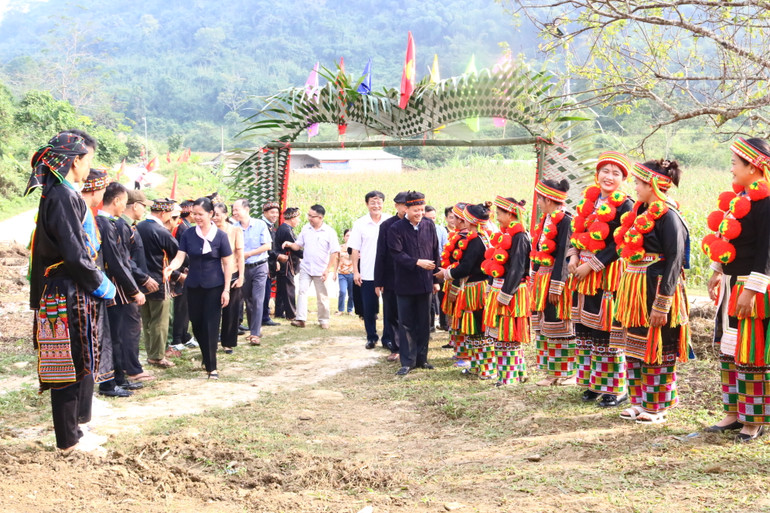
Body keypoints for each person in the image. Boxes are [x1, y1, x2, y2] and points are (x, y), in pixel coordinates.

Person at [26, 130, 116, 453]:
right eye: (87, 161)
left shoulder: (56, 193)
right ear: (75, 161)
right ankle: (68, 440)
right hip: (67, 291)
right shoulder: (64, 196)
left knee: (71, 361)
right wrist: (101, 283)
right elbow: (77, 255)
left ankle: (75, 431)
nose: (89, 168)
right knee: (68, 364)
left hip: (60, 290)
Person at [614, 159, 690, 424]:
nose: (634, 187)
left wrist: (664, 301)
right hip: (634, 288)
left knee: (657, 346)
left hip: (655, 287)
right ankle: (637, 401)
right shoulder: (638, 213)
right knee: (634, 347)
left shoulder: (668, 216)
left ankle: (658, 406)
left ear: (654, 184)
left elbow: (675, 258)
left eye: (638, 183)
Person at [703, 137, 770, 441]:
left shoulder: (767, 202)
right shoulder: (739, 199)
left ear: (754, 167)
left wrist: (752, 289)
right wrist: (718, 270)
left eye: (735, 163)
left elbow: (766, 251)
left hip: (751, 287)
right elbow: (728, 239)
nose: (731, 168)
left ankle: (753, 420)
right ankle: (733, 412)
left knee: (751, 353)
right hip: (732, 284)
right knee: (729, 350)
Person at [567, 152, 635, 407]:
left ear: (624, 179)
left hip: (607, 274)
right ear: (597, 175)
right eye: (605, 171)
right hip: (582, 273)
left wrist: (592, 266)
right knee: (586, 330)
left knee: (607, 331)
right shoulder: (589, 200)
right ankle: (594, 383)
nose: (609, 177)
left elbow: (621, 244)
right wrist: (573, 257)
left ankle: (616, 389)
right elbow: (578, 232)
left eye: (616, 173)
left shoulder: (626, 205)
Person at [165, 197, 233, 379]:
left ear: (210, 214)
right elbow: (180, 256)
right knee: (197, 325)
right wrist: (172, 266)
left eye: (200, 214)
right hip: (193, 286)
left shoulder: (220, 236)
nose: (196, 217)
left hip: (214, 286)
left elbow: (228, 263)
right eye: (194, 214)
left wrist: (226, 289)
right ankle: (206, 355)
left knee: (211, 325)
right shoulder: (188, 234)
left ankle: (212, 367)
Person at [94, 178, 148, 397]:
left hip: (112, 288)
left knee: (118, 336)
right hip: (112, 290)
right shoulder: (106, 224)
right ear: (116, 201)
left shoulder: (106, 223)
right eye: (123, 202)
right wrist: (134, 289)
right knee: (113, 336)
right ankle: (110, 382)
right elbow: (117, 262)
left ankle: (119, 378)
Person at [388, 191, 441, 375]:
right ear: (406, 209)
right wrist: (417, 262)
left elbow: (435, 251)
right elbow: (396, 254)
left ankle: (422, 358)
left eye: (422, 209)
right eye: (415, 210)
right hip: (405, 283)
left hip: (426, 282)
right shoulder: (396, 228)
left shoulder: (429, 225)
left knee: (424, 322)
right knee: (406, 323)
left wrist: (435, 278)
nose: (419, 213)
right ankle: (407, 361)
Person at [437, 202, 492, 378]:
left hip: (475, 289)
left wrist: (446, 273)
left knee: (478, 328)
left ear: (470, 220)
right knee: (476, 329)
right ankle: (477, 366)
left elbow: (466, 267)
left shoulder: (475, 240)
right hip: (477, 287)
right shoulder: (481, 237)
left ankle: (485, 369)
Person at [482, 196, 531, 386]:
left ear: (511, 214)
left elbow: (517, 269)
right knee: (502, 335)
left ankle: (508, 378)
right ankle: (519, 373)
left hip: (512, 292)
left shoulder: (519, 236)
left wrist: (505, 294)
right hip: (502, 287)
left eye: (500, 213)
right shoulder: (506, 234)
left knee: (507, 336)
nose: (497, 216)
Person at [530, 179, 575, 386]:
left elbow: (564, 255)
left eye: (540, 199)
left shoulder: (565, 220)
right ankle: (553, 371)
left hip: (556, 279)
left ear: (548, 199)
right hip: (543, 278)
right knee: (546, 323)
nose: (538, 202)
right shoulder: (547, 220)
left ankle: (567, 372)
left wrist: (557, 284)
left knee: (559, 323)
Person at [136, 198, 180, 369]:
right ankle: (157, 356)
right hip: (160, 280)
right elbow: (179, 254)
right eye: (170, 214)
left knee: (147, 320)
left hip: (141, 281)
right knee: (160, 321)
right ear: (164, 213)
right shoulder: (161, 231)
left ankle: (151, 352)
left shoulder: (138, 227)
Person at [120, 189, 157, 381]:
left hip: (132, 283)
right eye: (143, 206)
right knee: (131, 328)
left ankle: (130, 366)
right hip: (128, 286)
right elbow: (125, 260)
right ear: (134, 205)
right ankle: (132, 369)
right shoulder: (122, 226)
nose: (144, 210)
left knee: (131, 327)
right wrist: (142, 279)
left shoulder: (131, 226)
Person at [283, 204, 340, 329]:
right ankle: (301, 319)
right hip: (306, 267)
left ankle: (324, 320)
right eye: (308, 215)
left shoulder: (329, 232)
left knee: (322, 295)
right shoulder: (306, 229)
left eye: (311, 216)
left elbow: (334, 252)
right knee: (302, 291)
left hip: (321, 269)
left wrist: (328, 269)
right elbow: (298, 245)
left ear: (320, 217)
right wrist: (289, 244)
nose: (309, 218)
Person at [350, 191, 390, 347]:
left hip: (387, 273)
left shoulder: (389, 221)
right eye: (373, 202)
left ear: (383, 204)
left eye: (379, 202)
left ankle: (388, 338)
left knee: (389, 308)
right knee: (369, 308)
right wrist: (356, 271)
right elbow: (354, 249)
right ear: (367, 204)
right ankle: (371, 337)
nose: (376, 205)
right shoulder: (360, 223)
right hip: (367, 272)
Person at [231, 199, 271, 346]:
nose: (234, 213)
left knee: (257, 299)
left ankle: (255, 334)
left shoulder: (260, 224)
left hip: (260, 266)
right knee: (248, 301)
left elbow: (267, 245)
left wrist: (249, 254)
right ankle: (254, 328)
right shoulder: (233, 228)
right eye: (233, 210)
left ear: (246, 209)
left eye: (237, 210)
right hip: (243, 269)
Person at [374, 192, 409, 361]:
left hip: (411, 276)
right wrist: (378, 280)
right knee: (392, 313)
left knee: (409, 314)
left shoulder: (418, 224)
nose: (406, 208)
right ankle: (396, 347)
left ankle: (410, 347)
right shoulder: (387, 225)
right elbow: (380, 253)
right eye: (404, 205)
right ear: (396, 206)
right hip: (391, 277)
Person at [441, 202, 470, 366]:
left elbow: (463, 266)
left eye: (456, 217)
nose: (454, 220)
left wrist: (456, 284)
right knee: (454, 318)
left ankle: (464, 355)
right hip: (453, 281)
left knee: (461, 318)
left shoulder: (467, 238)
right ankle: (459, 351)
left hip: (462, 285)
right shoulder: (457, 235)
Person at [213, 202, 244, 354]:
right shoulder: (209, 231)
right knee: (213, 309)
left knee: (231, 309)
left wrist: (241, 276)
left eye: (218, 214)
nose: (215, 218)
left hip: (232, 273)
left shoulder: (235, 230)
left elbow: (240, 255)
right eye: (213, 214)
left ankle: (228, 342)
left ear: (226, 215)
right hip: (213, 274)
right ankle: (212, 339)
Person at [170, 200, 194, 350]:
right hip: (180, 271)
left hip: (183, 270)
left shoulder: (185, 226)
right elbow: (181, 252)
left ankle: (184, 335)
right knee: (181, 306)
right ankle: (177, 337)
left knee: (185, 306)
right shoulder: (183, 228)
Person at [274, 207, 303, 319]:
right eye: (297, 218)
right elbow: (295, 248)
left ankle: (279, 312)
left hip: (284, 263)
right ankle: (291, 314)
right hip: (286, 264)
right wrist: (307, 256)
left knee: (281, 289)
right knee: (288, 288)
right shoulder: (286, 230)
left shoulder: (285, 228)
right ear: (292, 218)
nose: (298, 221)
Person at [261, 202, 282, 327]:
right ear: (265, 213)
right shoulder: (263, 225)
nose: (275, 215)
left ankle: (264, 315)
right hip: (264, 263)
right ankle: (263, 316)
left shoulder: (270, 226)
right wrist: (277, 257)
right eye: (272, 212)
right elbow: (266, 247)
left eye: (276, 212)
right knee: (263, 291)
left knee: (266, 291)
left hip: (270, 263)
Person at [337, 229, 355, 314]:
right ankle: (340, 310)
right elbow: (336, 260)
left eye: (351, 236)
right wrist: (334, 273)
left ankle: (350, 310)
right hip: (342, 274)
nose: (349, 237)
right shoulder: (340, 248)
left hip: (352, 274)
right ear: (344, 237)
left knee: (351, 294)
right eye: (347, 235)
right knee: (342, 291)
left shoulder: (355, 248)